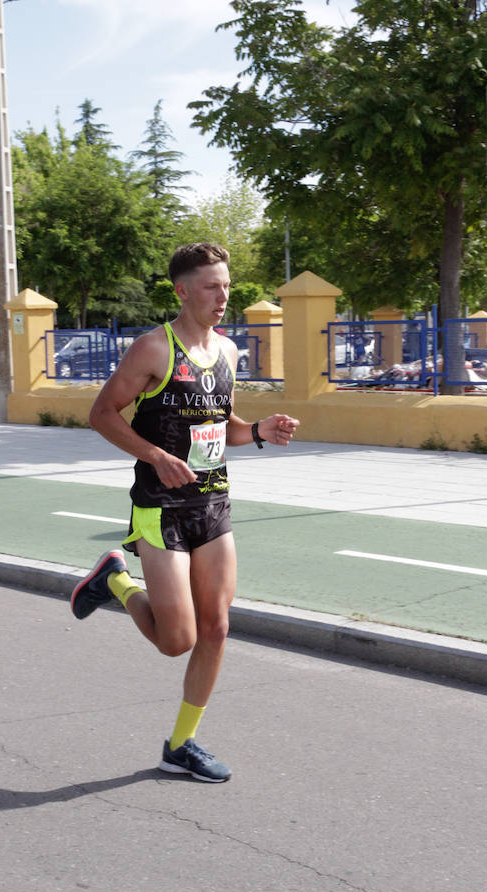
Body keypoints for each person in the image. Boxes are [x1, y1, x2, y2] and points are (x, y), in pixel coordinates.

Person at [70, 242, 299, 783]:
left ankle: (182, 744)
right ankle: (118, 581)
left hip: (213, 504)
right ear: (182, 291)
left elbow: (223, 428)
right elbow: (102, 413)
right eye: (212, 287)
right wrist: (155, 454)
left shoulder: (229, 353)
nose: (224, 297)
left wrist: (260, 432)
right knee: (178, 641)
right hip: (161, 509)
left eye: (227, 286)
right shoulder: (153, 349)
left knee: (216, 627)